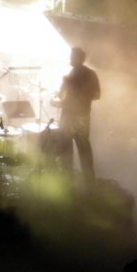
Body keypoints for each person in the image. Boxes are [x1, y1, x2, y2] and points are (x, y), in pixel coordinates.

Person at [55, 46, 100, 180]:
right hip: (78, 116)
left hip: (76, 116)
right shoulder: (71, 75)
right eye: (71, 56)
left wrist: (74, 97)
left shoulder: (85, 74)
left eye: (72, 57)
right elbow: (96, 95)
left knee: (71, 147)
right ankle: (87, 180)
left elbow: (96, 95)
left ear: (80, 59)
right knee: (80, 148)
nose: (70, 59)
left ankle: (70, 179)